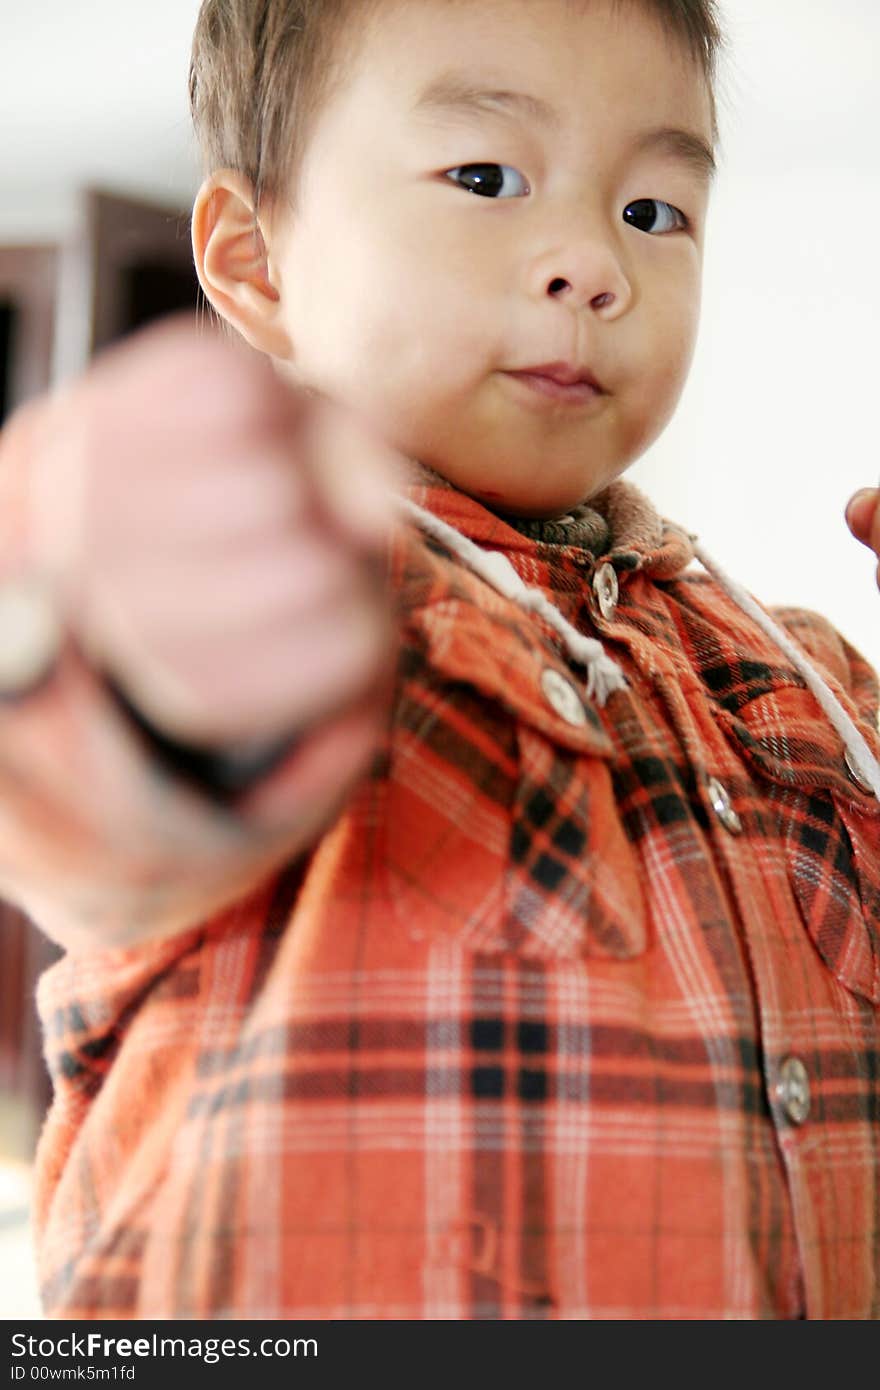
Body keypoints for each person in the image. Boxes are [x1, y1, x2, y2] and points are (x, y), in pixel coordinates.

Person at [1, 0, 879, 1319]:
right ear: (253, 263)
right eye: (485, 177)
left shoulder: (804, 675)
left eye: (653, 210)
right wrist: (126, 565)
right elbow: (90, 774)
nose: (596, 262)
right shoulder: (301, 610)